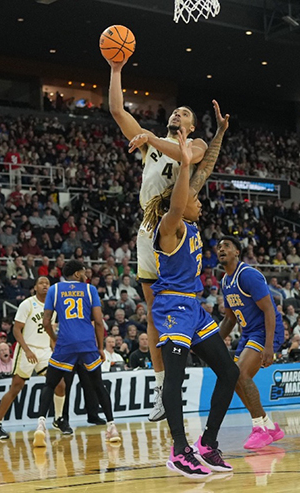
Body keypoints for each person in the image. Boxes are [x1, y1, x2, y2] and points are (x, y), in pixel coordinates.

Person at [109, 57, 227, 423]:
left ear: (191, 125)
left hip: (176, 228)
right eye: (175, 111)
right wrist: (116, 69)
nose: (177, 113)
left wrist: (151, 138)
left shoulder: (194, 143)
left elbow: (185, 155)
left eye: (184, 113)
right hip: (149, 229)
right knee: (152, 314)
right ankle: (162, 389)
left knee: (176, 305)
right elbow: (117, 111)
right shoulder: (152, 144)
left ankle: (189, 365)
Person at [140, 130, 239, 477]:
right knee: (175, 378)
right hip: (172, 308)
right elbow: (180, 201)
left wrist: (220, 134)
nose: (200, 202)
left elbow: (204, 170)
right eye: (194, 199)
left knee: (229, 372)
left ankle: (207, 444)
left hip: (193, 308)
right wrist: (183, 164)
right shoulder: (171, 226)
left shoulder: (191, 224)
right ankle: (179, 450)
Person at [31, 260, 120, 448]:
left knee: (50, 384)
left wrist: (54, 339)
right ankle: (112, 427)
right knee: (98, 385)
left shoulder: (54, 290)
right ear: (78, 274)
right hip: (87, 344)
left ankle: (41, 425)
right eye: (84, 272)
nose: (86, 275)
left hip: (65, 343)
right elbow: (98, 322)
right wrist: (100, 347)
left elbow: (46, 321)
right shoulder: (90, 290)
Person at [216, 236, 285, 449]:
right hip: (248, 332)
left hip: (265, 330)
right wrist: (212, 343)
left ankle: (259, 429)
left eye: (227, 246)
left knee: (241, 374)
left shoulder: (248, 275)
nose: (221, 249)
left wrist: (269, 346)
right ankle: (268, 426)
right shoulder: (225, 281)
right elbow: (229, 319)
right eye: (219, 247)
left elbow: (269, 310)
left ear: (237, 252)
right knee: (234, 378)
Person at [0, 276, 69, 440]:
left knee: (60, 384)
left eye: (47, 283)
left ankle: (59, 418)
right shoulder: (27, 304)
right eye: (41, 283)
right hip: (27, 349)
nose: (45, 285)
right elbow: (16, 330)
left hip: (44, 350)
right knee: (16, 387)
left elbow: (50, 330)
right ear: (35, 287)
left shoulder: (53, 307)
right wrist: (27, 350)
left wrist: (54, 348)